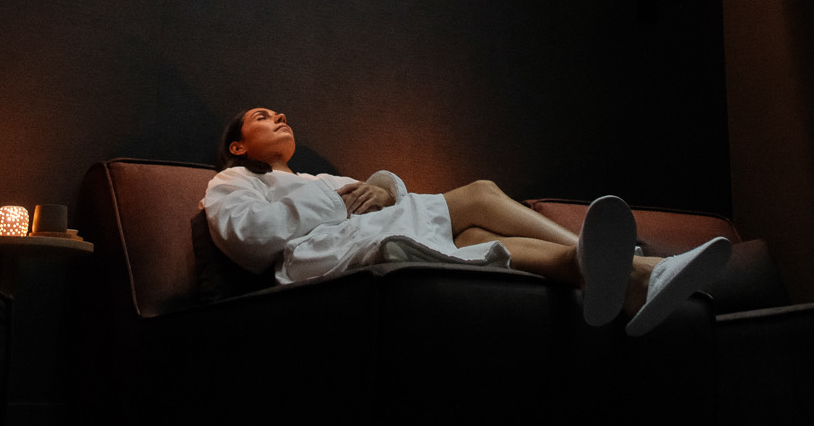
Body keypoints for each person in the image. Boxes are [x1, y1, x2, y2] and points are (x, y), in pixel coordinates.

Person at [203, 106, 731, 336]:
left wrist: (384, 186)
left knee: (480, 235)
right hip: (316, 262)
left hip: (365, 232)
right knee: (477, 194)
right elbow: (251, 238)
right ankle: (636, 264)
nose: (280, 118)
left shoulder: (318, 178)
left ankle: (625, 274)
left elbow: (374, 202)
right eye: (263, 117)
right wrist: (354, 198)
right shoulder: (232, 182)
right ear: (238, 144)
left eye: (282, 114)